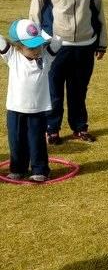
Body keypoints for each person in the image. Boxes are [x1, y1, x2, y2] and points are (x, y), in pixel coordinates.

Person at [29, 0, 108, 144]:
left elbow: (98, 13)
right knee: (54, 91)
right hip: (55, 47)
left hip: (84, 46)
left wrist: (101, 42)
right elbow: (34, 16)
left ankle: (79, 127)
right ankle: (52, 130)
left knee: (79, 91)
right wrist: (35, 45)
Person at [0, 19, 61, 182]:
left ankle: (40, 169)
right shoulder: (13, 57)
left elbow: (58, 41)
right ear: (18, 47)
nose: (36, 50)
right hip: (15, 109)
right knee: (16, 141)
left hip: (38, 110)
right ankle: (17, 169)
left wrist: (44, 35)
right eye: (31, 47)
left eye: (38, 45)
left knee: (36, 140)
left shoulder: (46, 57)